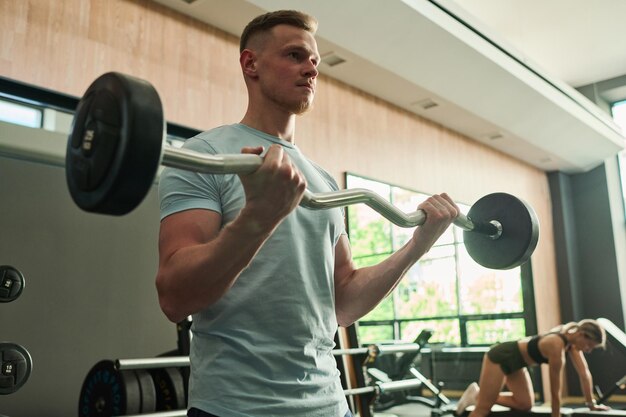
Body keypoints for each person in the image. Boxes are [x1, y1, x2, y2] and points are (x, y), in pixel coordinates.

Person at [156, 9, 459, 417]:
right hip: (234, 407)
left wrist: (417, 247)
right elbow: (175, 295)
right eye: (295, 56)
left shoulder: (323, 181)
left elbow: (343, 301)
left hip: (330, 404)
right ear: (251, 64)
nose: (311, 70)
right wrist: (259, 218)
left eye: (314, 61)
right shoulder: (204, 156)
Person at [456, 319, 610, 417]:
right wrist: (555, 416)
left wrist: (591, 405)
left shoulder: (571, 343)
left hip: (518, 364)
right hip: (501, 356)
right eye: (589, 345)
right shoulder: (556, 345)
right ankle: (481, 398)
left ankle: (478, 394)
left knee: (524, 404)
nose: (588, 350)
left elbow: (584, 374)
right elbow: (555, 390)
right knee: (483, 409)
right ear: (582, 334)